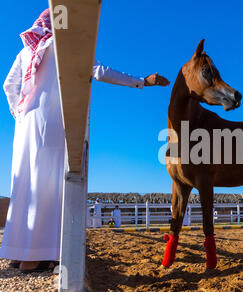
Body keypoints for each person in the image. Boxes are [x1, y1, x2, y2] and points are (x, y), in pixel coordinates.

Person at [0, 9, 170, 273]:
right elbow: (99, 71)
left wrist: (19, 112)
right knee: (51, 186)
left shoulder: (26, 52)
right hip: (54, 122)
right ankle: (36, 257)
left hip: (25, 126)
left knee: (25, 185)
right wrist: (141, 82)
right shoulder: (64, 46)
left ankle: (20, 253)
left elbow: (8, 86)